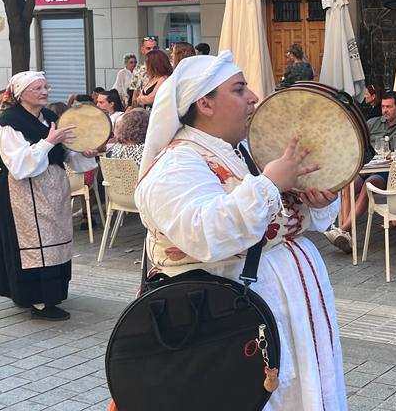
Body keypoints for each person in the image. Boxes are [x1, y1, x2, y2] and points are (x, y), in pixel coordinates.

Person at [134, 50, 347, 409]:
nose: (253, 97)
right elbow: (204, 234)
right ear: (205, 102)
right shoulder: (177, 164)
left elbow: (282, 219)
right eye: (239, 89)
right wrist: (267, 185)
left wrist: (316, 201)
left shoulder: (244, 151)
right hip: (232, 320)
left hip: (285, 308)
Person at [0, 72, 98, 321]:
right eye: (37, 88)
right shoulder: (8, 124)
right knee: (32, 242)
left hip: (51, 187)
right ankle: (35, 298)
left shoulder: (49, 117)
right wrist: (48, 142)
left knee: (54, 237)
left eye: (45, 86)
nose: (44, 91)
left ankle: (51, 294)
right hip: (21, 190)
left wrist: (86, 152)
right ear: (21, 94)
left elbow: (66, 153)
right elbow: (19, 164)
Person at [326, 90, 396, 251]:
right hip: (368, 167)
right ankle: (348, 236)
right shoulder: (372, 123)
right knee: (349, 184)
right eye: (383, 107)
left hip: (389, 172)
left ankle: (342, 230)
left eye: (389, 107)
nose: (385, 110)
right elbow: (357, 147)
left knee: (368, 186)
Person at [128, 36, 160, 101]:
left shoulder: (165, 67)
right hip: (143, 108)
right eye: (148, 48)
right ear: (142, 50)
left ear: (158, 49)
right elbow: (135, 93)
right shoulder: (138, 70)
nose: (152, 51)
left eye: (155, 48)